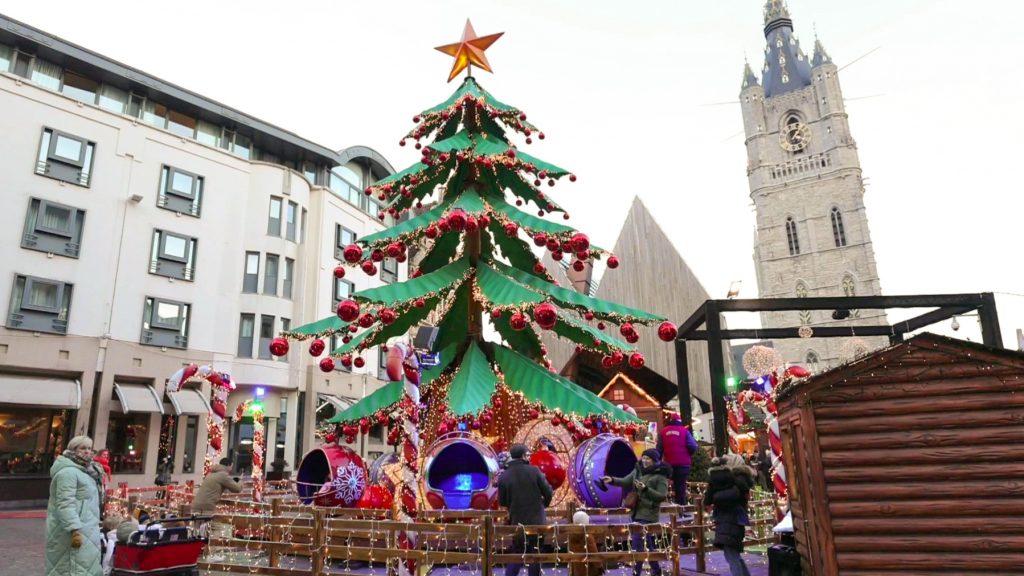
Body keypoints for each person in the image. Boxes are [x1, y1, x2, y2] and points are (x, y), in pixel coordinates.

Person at [601, 448, 670, 576]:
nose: (645, 461)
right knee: (646, 544)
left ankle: (637, 572)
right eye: (643, 458)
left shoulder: (660, 476)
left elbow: (661, 496)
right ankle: (655, 570)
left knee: (639, 542)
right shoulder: (637, 471)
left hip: (648, 514)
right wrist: (612, 480)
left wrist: (646, 490)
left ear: (655, 461)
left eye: (648, 459)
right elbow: (626, 481)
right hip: (635, 512)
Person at [46, 435, 104, 576]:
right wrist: (74, 530)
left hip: (88, 528)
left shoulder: (87, 471)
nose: (87, 451)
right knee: (72, 569)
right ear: (73, 449)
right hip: (73, 531)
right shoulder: (68, 472)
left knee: (86, 567)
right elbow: (65, 503)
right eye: (83, 448)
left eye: (89, 448)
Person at [498, 443, 553, 576]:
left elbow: (503, 502)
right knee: (535, 553)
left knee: (517, 553)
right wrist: (543, 505)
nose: (529, 457)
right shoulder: (534, 471)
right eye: (528, 455)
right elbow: (548, 492)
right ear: (523, 456)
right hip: (537, 521)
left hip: (517, 522)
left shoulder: (504, 476)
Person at [703, 458, 755, 576]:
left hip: (725, 521)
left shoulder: (726, 483)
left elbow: (707, 501)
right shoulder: (739, 483)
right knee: (734, 554)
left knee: (732, 556)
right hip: (737, 521)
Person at [656, 415, 698, 506]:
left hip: (668, 463)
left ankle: (667, 506)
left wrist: (658, 462)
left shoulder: (663, 432)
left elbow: (659, 449)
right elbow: (693, 446)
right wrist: (688, 454)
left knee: (666, 485)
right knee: (681, 486)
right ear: (679, 421)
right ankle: (681, 508)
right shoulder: (685, 431)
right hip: (683, 463)